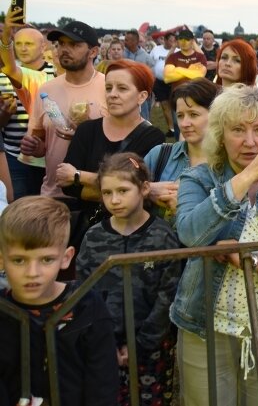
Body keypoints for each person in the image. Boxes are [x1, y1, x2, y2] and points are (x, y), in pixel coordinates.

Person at [172, 85, 258, 404]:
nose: (250, 141)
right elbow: (189, 232)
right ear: (220, 133)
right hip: (204, 325)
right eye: (238, 129)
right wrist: (244, 178)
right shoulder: (198, 178)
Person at [76, 153, 180, 406]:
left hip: (151, 348)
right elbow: (83, 293)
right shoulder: (93, 237)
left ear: (144, 189)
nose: (114, 200)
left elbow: (167, 296)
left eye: (123, 190)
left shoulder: (162, 236)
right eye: (107, 192)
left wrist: (141, 344)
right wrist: (102, 340)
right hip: (104, 346)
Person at [0, 196, 119, 406]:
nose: (32, 273)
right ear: (2, 259)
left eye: (46, 259)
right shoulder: (3, 311)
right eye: (19, 260)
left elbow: (102, 385)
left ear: (66, 258)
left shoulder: (87, 307)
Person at [56, 60, 164, 252]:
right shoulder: (87, 130)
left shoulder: (152, 136)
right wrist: (119, 190)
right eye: (108, 87)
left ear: (142, 96)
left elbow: (140, 191)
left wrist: (79, 176)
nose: (113, 94)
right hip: (86, 233)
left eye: (122, 88)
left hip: (130, 235)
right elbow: (67, 185)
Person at [20, 21, 106, 200]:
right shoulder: (46, 91)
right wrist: (35, 147)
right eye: (61, 44)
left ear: (93, 52)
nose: (64, 50)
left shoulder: (109, 87)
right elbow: (42, 143)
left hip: (97, 194)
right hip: (53, 193)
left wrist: (84, 134)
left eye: (74, 45)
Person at [144, 78, 221, 222]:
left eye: (193, 115)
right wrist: (148, 191)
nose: (184, 124)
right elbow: (125, 193)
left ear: (215, 114)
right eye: (180, 116)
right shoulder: (160, 155)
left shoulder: (230, 161)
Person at [0, 10, 58, 198]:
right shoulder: (3, 77)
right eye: (18, 44)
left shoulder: (57, 75)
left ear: (43, 47)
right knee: (19, 206)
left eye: (29, 44)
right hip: (14, 154)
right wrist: (3, 116)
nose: (23, 48)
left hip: (48, 155)